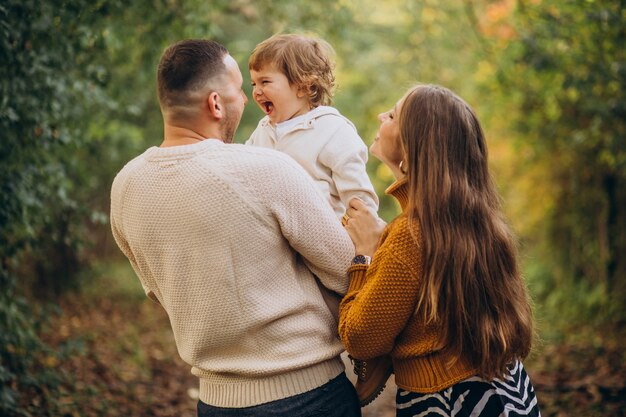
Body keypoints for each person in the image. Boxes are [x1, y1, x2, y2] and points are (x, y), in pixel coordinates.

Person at [110, 39, 361, 417]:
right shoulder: (265, 169)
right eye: (240, 91)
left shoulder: (126, 186)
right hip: (309, 396)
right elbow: (348, 273)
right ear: (214, 103)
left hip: (214, 402)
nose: (247, 100)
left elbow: (159, 291)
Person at [339, 84, 541, 416]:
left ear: (413, 147)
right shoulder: (475, 220)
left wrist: (364, 255)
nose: (380, 116)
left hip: (448, 402)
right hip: (507, 389)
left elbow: (361, 338)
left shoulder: (410, 234)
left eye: (391, 115)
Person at [246, 33, 378, 219]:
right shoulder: (262, 130)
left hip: (321, 237)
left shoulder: (333, 130)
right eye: (253, 83)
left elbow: (360, 198)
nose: (257, 91)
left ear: (303, 86)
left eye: (265, 82)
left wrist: (362, 235)